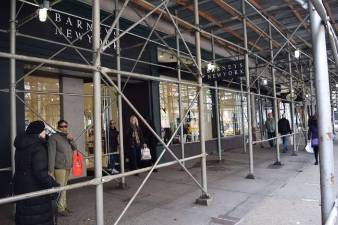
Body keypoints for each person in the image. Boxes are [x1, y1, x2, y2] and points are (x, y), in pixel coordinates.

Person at [14, 120, 59, 225]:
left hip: (21, 187)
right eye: (44, 130)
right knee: (39, 218)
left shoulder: (21, 145)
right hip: (36, 190)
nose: (46, 133)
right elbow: (41, 173)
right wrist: (54, 185)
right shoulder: (38, 147)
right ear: (39, 131)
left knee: (24, 216)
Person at [48, 119, 77, 216]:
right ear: (58, 127)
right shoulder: (53, 138)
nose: (64, 128)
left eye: (66, 126)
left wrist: (71, 139)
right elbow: (51, 154)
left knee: (65, 187)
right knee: (61, 188)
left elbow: (75, 148)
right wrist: (51, 170)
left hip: (68, 165)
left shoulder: (67, 137)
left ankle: (63, 205)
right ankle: (60, 208)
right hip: (59, 167)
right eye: (62, 126)